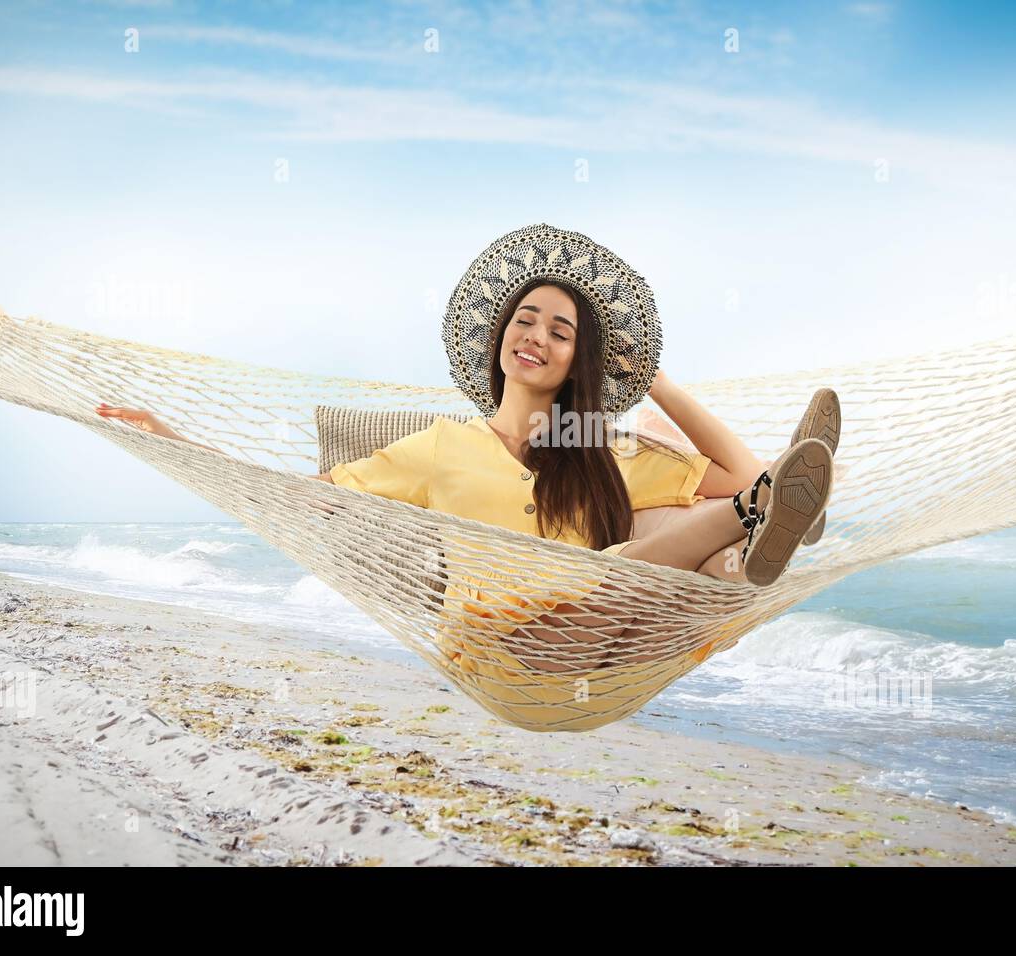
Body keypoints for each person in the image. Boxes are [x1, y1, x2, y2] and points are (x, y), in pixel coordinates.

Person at [95, 224, 839, 720]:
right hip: (506, 653)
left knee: (684, 545)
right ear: (499, 339)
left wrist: (658, 385)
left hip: (607, 641)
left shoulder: (600, 450)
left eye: (560, 330)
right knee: (666, 550)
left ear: (579, 360)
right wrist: (174, 439)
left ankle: (754, 545)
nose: (536, 336)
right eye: (525, 319)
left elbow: (743, 473)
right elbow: (294, 501)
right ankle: (764, 529)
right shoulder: (438, 446)